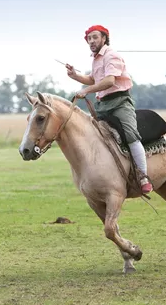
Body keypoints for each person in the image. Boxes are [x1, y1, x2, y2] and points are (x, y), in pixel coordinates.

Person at [65, 24, 153, 193]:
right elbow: (93, 79)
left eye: (95, 37)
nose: (91, 41)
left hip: (120, 102)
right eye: (89, 38)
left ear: (104, 38)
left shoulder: (111, 56)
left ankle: (143, 175)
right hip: (103, 104)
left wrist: (86, 91)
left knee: (130, 135)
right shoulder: (96, 58)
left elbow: (109, 81)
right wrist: (75, 75)